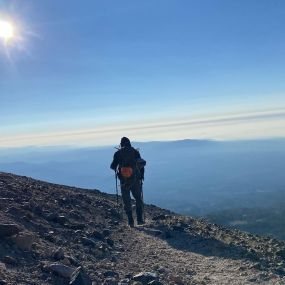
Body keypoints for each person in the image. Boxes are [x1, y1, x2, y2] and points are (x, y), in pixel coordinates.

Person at [110, 137, 145, 227]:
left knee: (126, 200)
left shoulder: (118, 153)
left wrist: (118, 168)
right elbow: (141, 165)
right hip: (136, 179)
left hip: (124, 180)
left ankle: (130, 221)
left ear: (121, 144)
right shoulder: (135, 152)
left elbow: (112, 166)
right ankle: (140, 219)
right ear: (129, 143)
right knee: (138, 198)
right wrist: (141, 176)